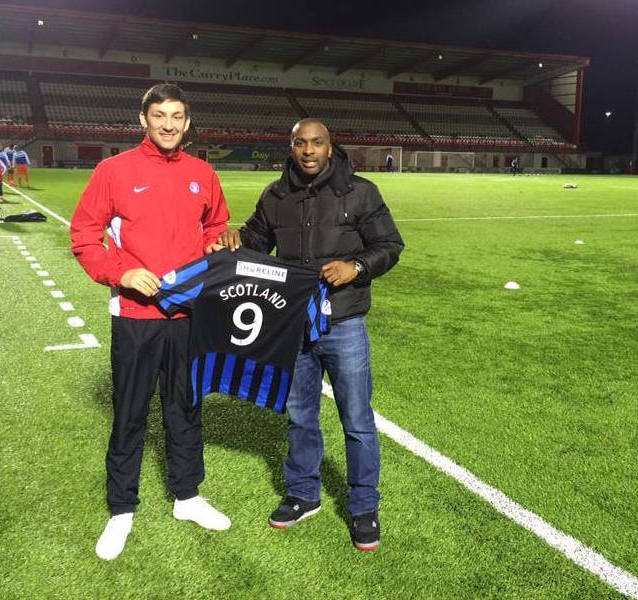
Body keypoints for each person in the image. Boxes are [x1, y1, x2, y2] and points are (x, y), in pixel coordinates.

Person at [217, 119, 404, 551]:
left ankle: (363, 506)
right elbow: (256, 240)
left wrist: (355, 267)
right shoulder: (276, 194)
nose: (308, 150)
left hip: (344, 324)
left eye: (316, 143)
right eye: (301, 143)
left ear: (330, 146)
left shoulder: (361, 191)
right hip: (293, 324)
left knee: (357, 420)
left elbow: (390, 245)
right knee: (300, 415)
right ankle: (303, 494)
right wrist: (235, 238)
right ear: (292, 147)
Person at [70, 83, 232, 561]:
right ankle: (121, 509)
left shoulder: (203, 172)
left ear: (187, 121)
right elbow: (84, 236)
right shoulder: (113, 170)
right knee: (131, 412)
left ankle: (187, 497)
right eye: (159, 114)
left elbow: (216, 226)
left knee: (186, 406)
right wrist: (122, 271)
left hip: (189, 315)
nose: (168, 124)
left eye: (177, 116)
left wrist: (216, 242)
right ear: (143, 118)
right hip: (136, 317)